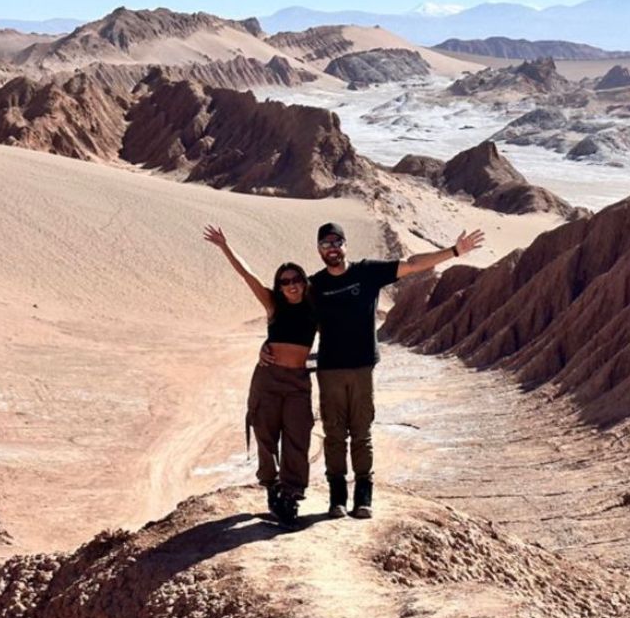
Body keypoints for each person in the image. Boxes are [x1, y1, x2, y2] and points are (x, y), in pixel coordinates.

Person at [308, 221, 484, 520]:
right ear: (319, 250)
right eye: (326, 244)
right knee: (334, 435)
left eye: (337, 242)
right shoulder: (314, 285)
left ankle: (363, 497)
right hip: (329, 370)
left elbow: (413, 265)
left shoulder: (366, 272)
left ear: (345, 245)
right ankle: (337, 499)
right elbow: (289, 316)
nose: (332, 249)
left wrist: (454, 251)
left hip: (362, 367)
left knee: (362, 433)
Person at [203, 224, 316, 526]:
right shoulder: (273, 306)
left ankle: (291, 496)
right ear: (278, 287)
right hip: (268, 379)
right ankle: (272, 486)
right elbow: (247, 275)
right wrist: (225, 246)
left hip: (297, 383)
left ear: (304, 282)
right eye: (284, 281)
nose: (291, 285)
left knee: (297, 437)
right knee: (265, 435)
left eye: (295, 280)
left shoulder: (314, 309)